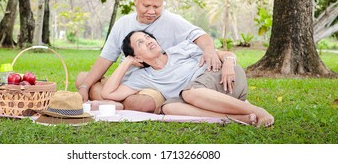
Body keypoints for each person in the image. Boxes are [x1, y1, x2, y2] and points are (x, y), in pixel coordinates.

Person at [75, 0, 222, 113]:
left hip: (152, 86)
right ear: (135, 0)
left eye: (157, 7)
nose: (151, 11)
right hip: (124, 83)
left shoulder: (172, 20)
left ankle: (118, 104)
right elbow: (105, 58)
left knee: (142, 104)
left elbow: (199, 35)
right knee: (83, 79)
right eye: (146, 6)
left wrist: (209, 49)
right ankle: (115, 101)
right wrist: (85, 86)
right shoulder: (122, 24)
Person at [102, 30, 274, 127]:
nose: (148, 41)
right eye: (140, 43)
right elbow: (108, 93)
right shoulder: (143, 77)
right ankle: (239, 117)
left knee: (190, 94)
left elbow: (225, 54)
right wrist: (126, 63)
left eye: (147, 37)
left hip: (223, 78)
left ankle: (258, 111)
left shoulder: (182, 49)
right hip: (201, 97)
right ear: (137, 57)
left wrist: (229, 62)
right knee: (169, 108)